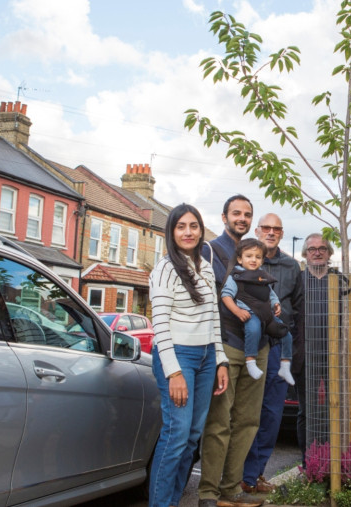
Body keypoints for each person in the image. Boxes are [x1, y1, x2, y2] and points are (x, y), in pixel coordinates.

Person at [147, 204, 230, 507]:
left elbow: (213, 318)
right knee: (176, 436)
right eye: (181, 226)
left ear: (200, 229)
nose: (188, 232)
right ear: (171, 232)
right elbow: (160, 326)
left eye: (193, 226)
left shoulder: (205, 267)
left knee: (193, 436)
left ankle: (172, 501)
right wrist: (174, 372)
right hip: (178, 356)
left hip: (207, 356)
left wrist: (220, 359)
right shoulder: (165, 270)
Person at [199, 195, 268, 507]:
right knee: (219, 422)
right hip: (227, 344)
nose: (242, 218)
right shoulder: (210, 251)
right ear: (224, 216)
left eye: (247, 214)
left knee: (248, 421)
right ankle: (208, 494)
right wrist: (215, 351)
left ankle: (231, 491)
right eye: (236, 213)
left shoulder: (257, 253)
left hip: (259, 346)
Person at [241, 213, 305, 495]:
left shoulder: (291, 266)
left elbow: (300, 310)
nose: (270, 232)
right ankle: (242, 474)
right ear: (258, 230)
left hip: (279, 348)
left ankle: (257, 474)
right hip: (252, 347)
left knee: (271, 415)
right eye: (265, 228)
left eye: (276, 229)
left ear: (281, 233)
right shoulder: (245, 259)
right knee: (247, 414)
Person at [296, 233, 351, 466]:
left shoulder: (343, 281)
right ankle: (309, 463)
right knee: (307, 412)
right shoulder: (298, 281)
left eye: (322, 248)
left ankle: (337, 462)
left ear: (330, 253)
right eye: (311, 248)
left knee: (338, 409)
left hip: (337, 357)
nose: (317, 252)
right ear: (305, 253)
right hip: (306, 358)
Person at [220, 238, 289, 381]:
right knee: (254, 329)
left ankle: (285, 366)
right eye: (249, 256)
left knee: (286, 334)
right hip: (250, 314)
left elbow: (270, 293)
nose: (253, 260)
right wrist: (237, 311)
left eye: (258, 257)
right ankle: (250, 361)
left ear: (262, 260)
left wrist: (276, 304)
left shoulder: (262, 276)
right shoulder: (236, 277)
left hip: (266, 314)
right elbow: (226, 296)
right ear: (240, 259)